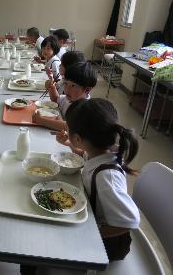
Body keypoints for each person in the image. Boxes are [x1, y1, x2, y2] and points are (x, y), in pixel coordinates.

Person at [56, 98, 140, 261]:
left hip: (107, 245)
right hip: (92, 219)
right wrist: (68, 143)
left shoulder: (106, 177)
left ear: (79, 139)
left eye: (68, 128)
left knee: (43, 240)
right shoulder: (101, 150)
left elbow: (129, 221)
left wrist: (91, 233)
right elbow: (84, 154)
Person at [33, 60, 96, 131]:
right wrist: (52, 88)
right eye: (65, 83)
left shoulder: (85, 108)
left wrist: (42, 120)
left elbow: (69, 127)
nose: (67, 89)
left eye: (73, 86)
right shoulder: (68, 98)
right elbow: (55, 100)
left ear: (87, 89)